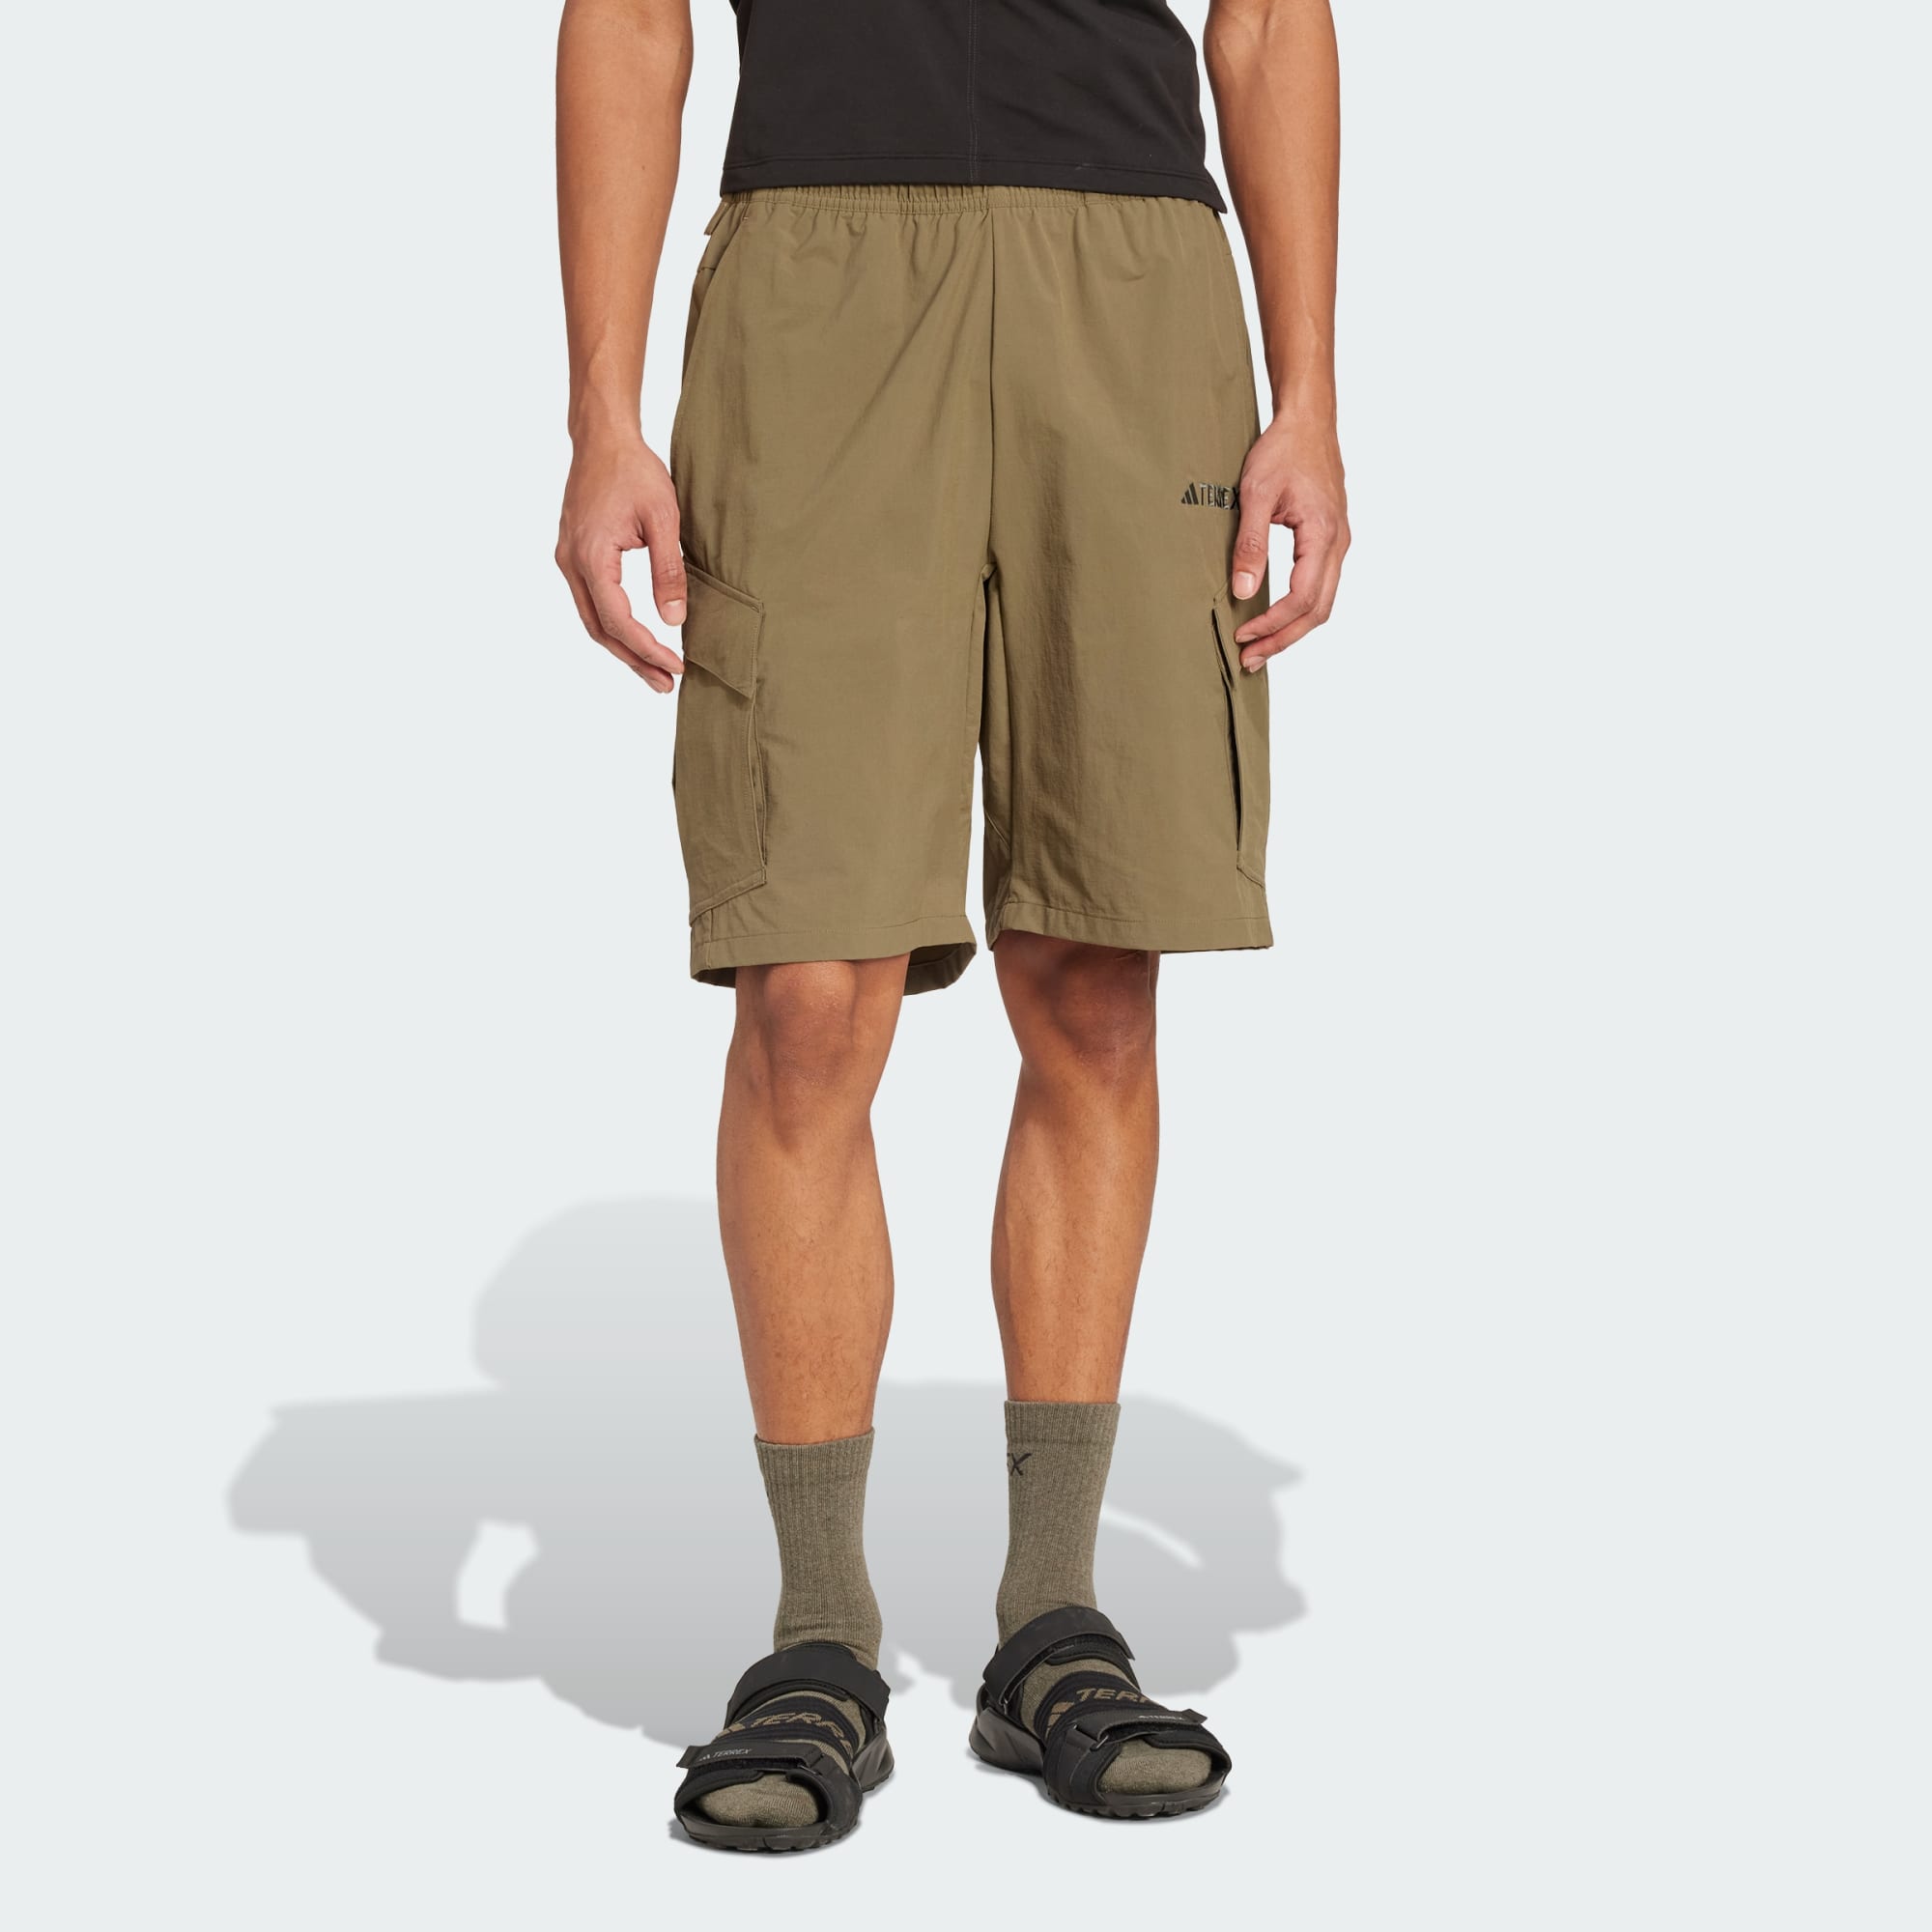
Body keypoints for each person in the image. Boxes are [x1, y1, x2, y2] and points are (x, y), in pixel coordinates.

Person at [554, 0, 1347, 1851]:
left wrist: (1307, 391)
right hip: (817, 275)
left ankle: (1052, 1617)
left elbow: (1269, 18)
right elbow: (628, 17)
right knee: (807, 985)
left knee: (1095, 974)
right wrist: (601, 417)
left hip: (1131, 272)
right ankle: (819, 1631)